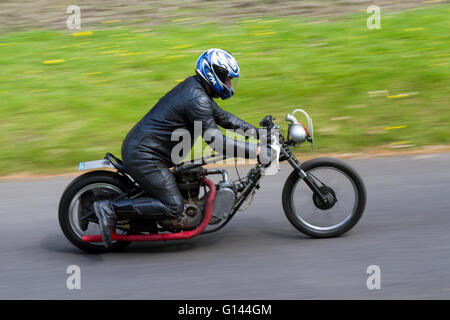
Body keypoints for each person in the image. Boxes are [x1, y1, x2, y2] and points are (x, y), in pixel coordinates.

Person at [93, 48, 261, 248]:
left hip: (150, 152)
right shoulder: (196, 98)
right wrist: (256, 152)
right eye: (227, 79)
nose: (229, 85)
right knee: (173, 206)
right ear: (212, 74)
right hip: (145, 156)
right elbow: (216, 142)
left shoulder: (198, 91)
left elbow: (224, 118)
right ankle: (109, 209)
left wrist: (257, 133)